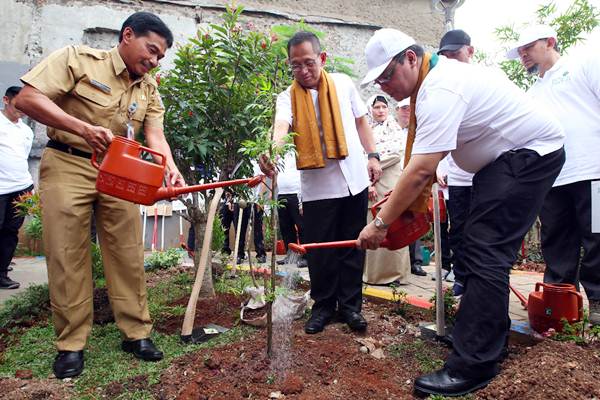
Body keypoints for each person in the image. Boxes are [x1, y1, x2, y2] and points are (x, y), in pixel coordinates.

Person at [358, 28, 565, 397]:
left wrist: (379, 223)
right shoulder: (434, 83)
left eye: (388, 74)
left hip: (529, 154)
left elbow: (419, 169)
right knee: (477, 249)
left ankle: (474, 364)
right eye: (378, 80)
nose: (385, 85)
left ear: (410, 57)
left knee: (486, 252)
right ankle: (484, 338)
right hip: (501, 162)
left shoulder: (439, 88)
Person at [15, 12, 185, 379]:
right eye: (151, 50)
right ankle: (71, 344)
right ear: (127, 35)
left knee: (127, 251)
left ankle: (136, 333)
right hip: (68, 163)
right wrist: (81, 127)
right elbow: (29, 98)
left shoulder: (148, 88)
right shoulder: (77, 59)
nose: (154, 62)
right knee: (67, 253)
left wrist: (169, 165)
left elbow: (154, 134)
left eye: (160, 58)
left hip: (120, 171)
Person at [259, 31, 382, 335]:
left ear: (322, 58)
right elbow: (281, 128)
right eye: (295, 65)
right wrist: (272, 151)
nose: (303, 71)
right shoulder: (287, 97)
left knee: (353, 245)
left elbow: (361, 121)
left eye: (309, 63)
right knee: (319, 250)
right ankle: (324, 306)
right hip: (317, 187)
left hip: (353, 179)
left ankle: (351, 307)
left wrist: (373, 156)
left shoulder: (343, 84)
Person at [507, 25, 600, 325]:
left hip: (594, 172)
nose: (523, 56)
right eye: (519, 53)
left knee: (598, 236)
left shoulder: (583, 65)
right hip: (553, 179)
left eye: (528, 48)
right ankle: (561, 309)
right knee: (557, 243)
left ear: (550, 42)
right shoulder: (531, 94)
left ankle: (598, 304)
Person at [436, 29, 476, 295]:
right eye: (446, 57)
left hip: (488, 175)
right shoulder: (444, 88)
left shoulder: (484, 81)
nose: (451, 61)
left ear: (470, 51)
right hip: (458, 177)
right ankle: (461, 279)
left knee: (485, 232)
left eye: (456, 54)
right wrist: (440, 167)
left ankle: (484, 282)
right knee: (459, 230)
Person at [363, 95, 411, 285]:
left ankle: (397, 275)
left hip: (392, 184)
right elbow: (360, 157)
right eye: (377, 107)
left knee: (395, 225)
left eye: (384, 107)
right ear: (370, 110)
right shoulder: (365, 132)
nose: (381, 110)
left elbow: (398, 155)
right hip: (371, 186)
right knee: (374, 226)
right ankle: (374, 275)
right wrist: (368, 182)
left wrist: (373, 162)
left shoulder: (395, 130)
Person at [0, 86, 34, 290]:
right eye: (18, 105)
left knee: (11, 231)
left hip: (21, 187)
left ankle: (2, 272)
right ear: (6, 100)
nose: (22, 110)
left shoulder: (27, 130)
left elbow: (24, 157)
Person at [396, 98, 427, 277]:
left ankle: (415, 261)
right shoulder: (390, 130)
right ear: (397, 110)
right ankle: (400, 264)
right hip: (393, 179)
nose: (407, 111)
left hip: (412, 180)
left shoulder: (418, 131)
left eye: (409, 108)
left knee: (413, 218)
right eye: (403, 108)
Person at [276, 152, 306, 267]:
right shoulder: (278, 151)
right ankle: (291, 256)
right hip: (282, 194)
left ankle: (305, 256)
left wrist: (303, 198)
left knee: (301, 226)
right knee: (285, 228)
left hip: (296, 193)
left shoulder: (297, 149)